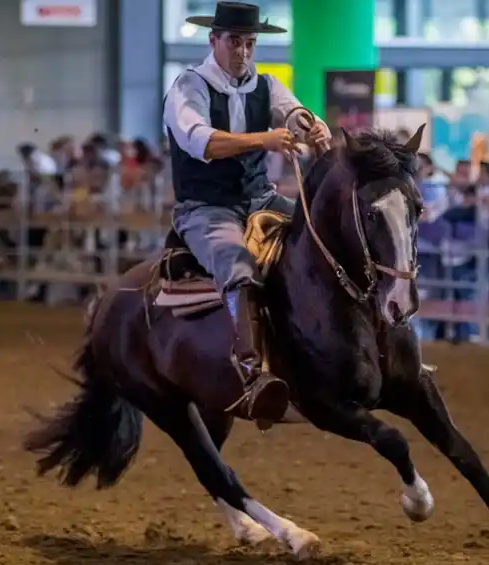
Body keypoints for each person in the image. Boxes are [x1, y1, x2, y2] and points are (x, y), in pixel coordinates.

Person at [163, 1, 330, 420]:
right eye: (235, 41)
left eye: (250, 43)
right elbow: (202, 142)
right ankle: (252, 371)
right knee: (237, 265)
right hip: (205, 207)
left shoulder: (267, 85)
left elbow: (293, 113)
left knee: (324, 237)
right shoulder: (189, 87)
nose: (243, 51)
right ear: (214, 40)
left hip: (259, 198)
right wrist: (265, 139)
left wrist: (311, 124)